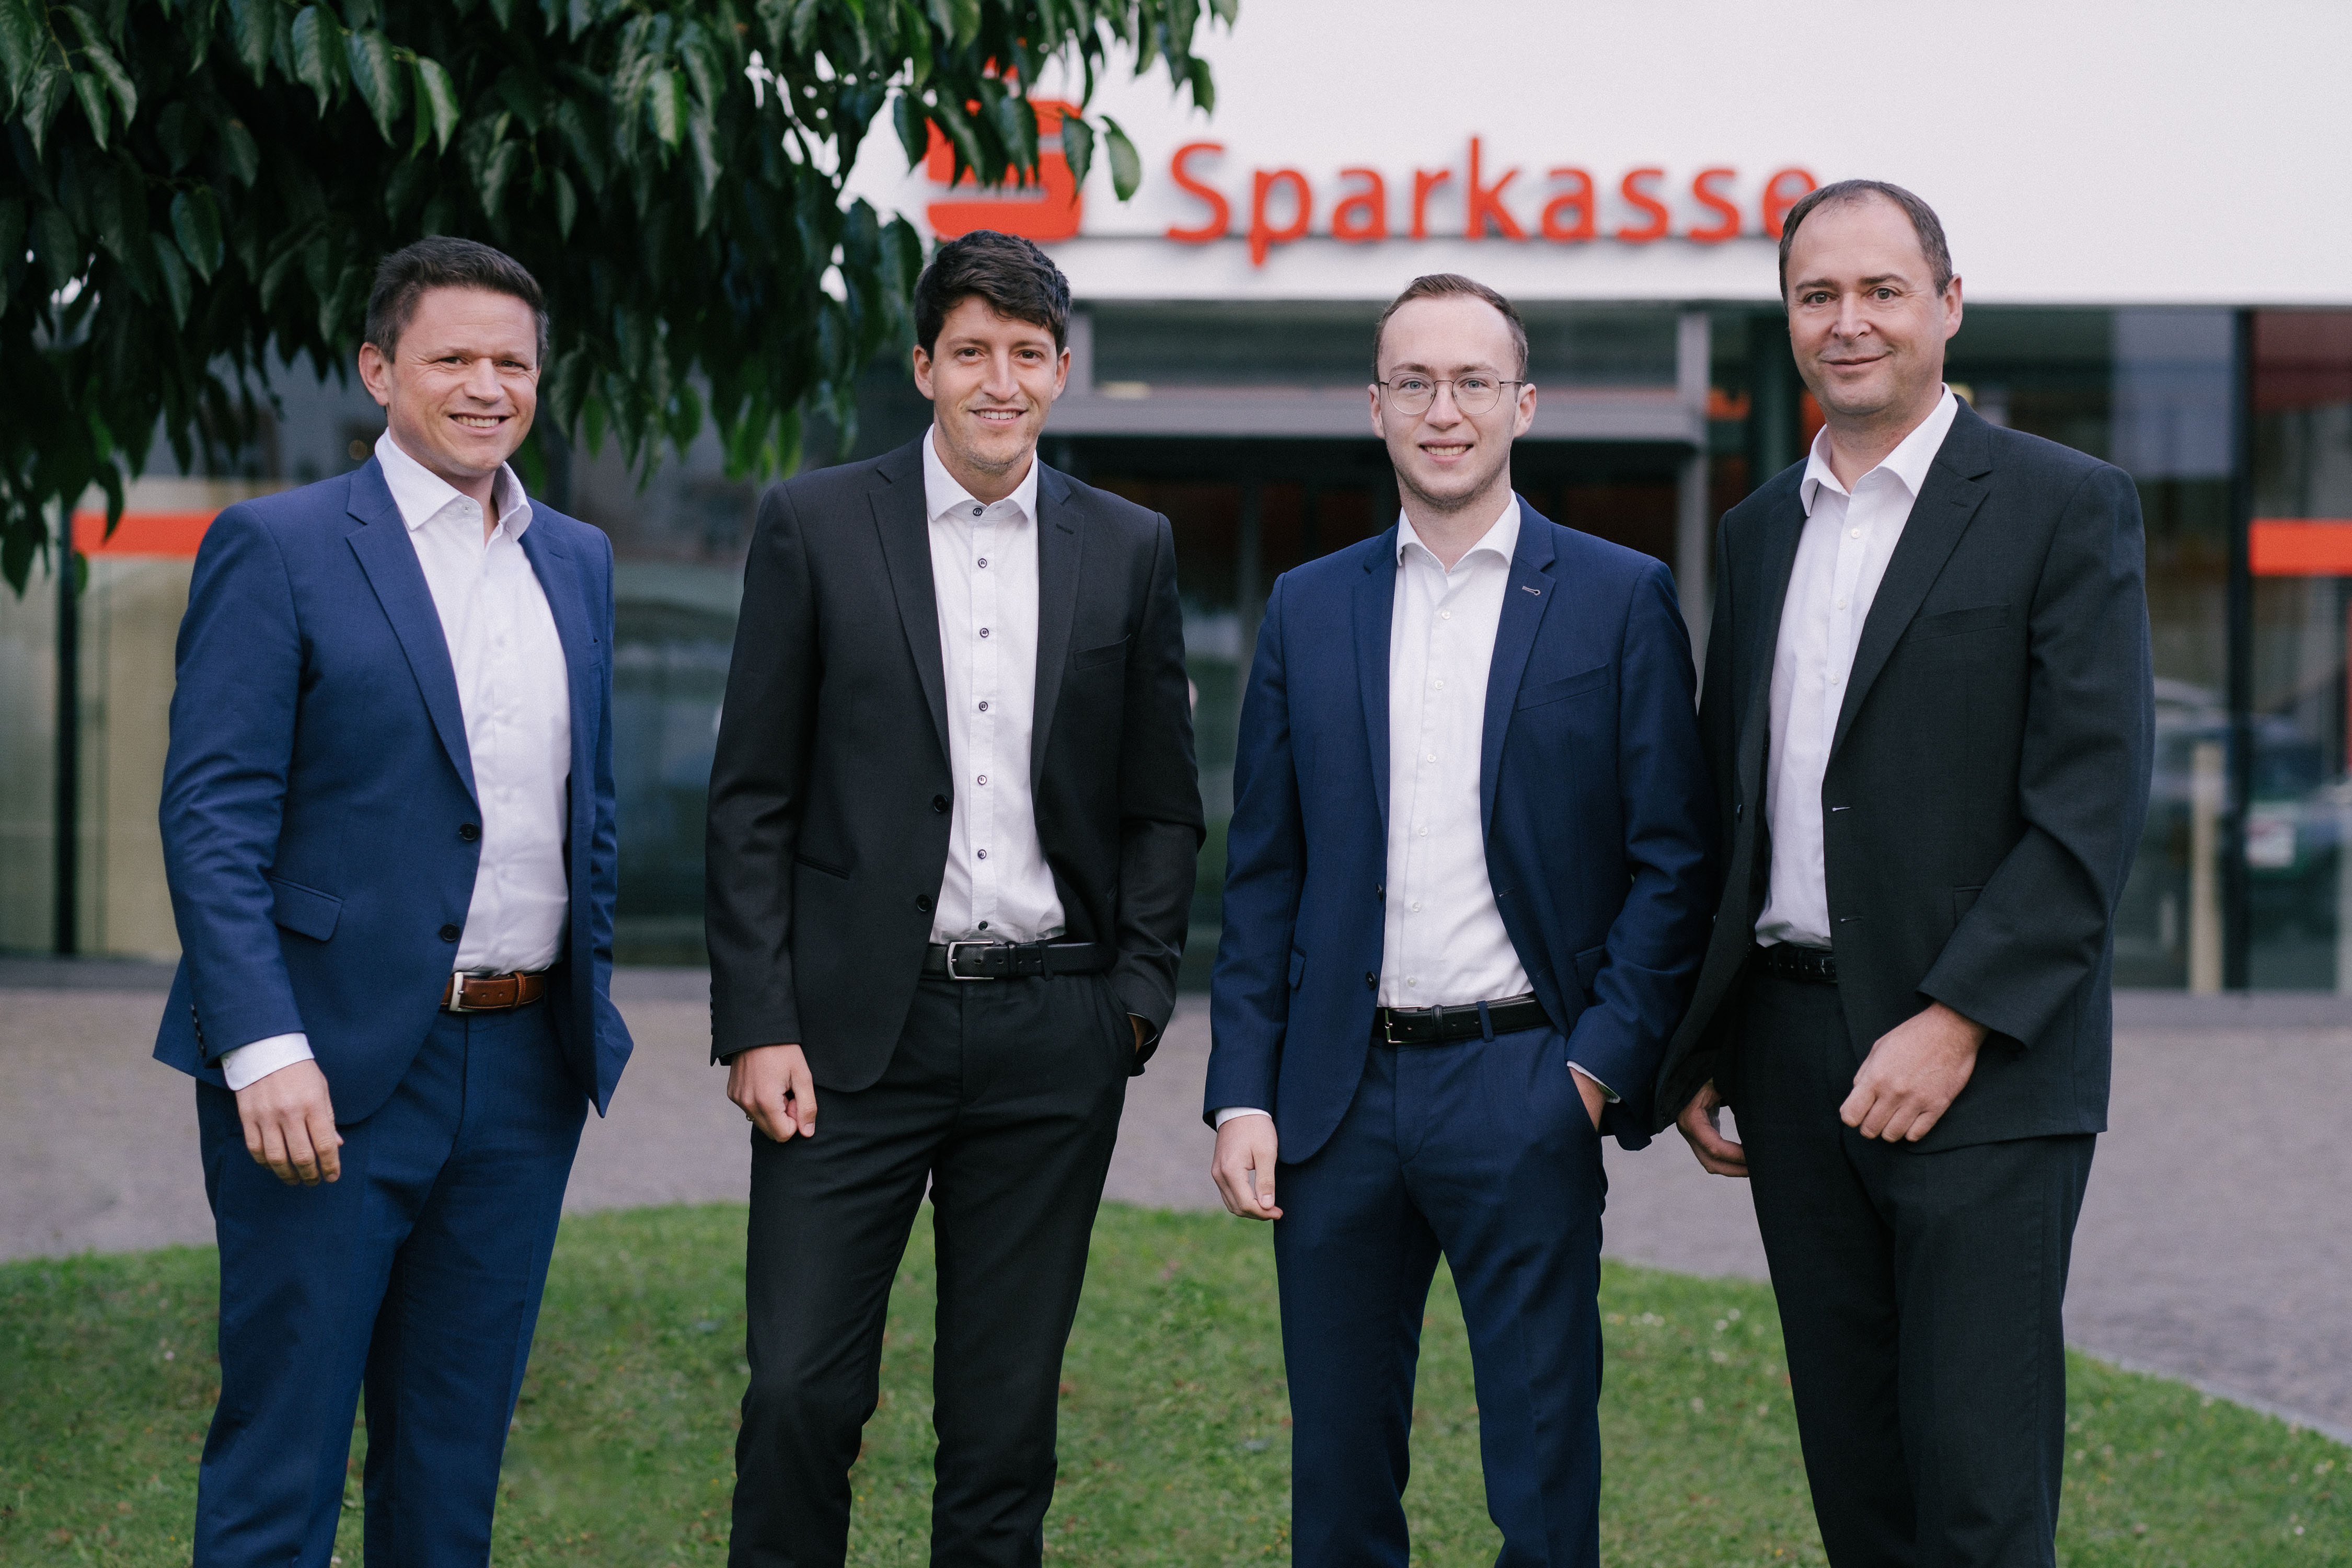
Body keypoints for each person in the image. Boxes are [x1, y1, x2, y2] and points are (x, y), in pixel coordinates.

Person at [1657, 181, 2155, 1566]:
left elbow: (2089, 809)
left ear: (1948, 304)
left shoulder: (2064, 505)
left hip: (1982, 1067)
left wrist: (1957, 1021)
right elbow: (1740, 804)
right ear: (1788, 318)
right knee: (1860, 1487)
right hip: (1791, 1060)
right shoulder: (1761, 528)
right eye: (1817, 294)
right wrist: (1710, 1037)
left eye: (1881, 290)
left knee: (1980, 1499)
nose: (1849, 321)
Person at [705, 228, 1202, 1567]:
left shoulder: (1131, 546)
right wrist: (759, 1020)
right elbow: (751, 798)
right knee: (798, 1393)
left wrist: (1133, 1003)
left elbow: (1162, 803)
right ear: (924, 365)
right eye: (971, 351)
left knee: (1002, 1424)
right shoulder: (814, 523)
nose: (1000, 380)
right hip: (846, 1038)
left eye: (1028, 354)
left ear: (1060, 372)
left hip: (1054, 1034)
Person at [1205, 272, 1716, 1566]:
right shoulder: (1308, 606)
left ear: (1522, 405)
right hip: (1334, 1101)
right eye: (1416, 382)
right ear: (1374, 406)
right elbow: (1264, 871)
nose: (1445, 410)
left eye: (1473, 381)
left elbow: (1673, 862)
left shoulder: (1616, 597)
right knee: (1337, 1482)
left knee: (1543, 1481)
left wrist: (1592, 1073)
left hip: (1525, 1081)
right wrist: (1243, 1092)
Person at [154, 236, 632, 1565]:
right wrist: (263, 1047)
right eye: (452, 358)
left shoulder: (577, 559)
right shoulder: (280, 546)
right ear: (378, 370)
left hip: (525, 1071)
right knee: (282, 1462)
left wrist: (585, 1007)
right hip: (324, 1069)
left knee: (449, 1474)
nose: (487, 387)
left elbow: (587, 810)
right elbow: (212, 817)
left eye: (512, 363)